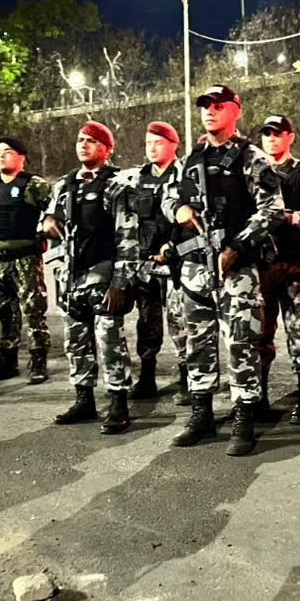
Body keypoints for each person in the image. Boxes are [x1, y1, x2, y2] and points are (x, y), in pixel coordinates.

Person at [161, 84, 285, 456]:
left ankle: (244, 418)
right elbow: (168, 196)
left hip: (237, 269)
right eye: (205, 106)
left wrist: (238, 246)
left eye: (218, 105)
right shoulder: (191, 158)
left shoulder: (251, 158)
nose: (210, 111)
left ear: (235, 110)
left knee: (242, 343)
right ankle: (201, 416)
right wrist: (178, 211)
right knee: (197, 343)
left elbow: (272, 208)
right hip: (196, 268)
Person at [42, 121, 140, 435]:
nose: (83, 145)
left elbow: (128, 236)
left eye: (91, 141)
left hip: (103, 272)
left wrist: (120, 282)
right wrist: (46, 221)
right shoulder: (65, 183)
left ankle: (118, 404)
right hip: (71, 276)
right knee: (76, 341)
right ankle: (84, 399)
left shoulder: (117, 184)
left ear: (107, 149)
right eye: (80, 140)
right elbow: (47, 217)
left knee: (109, 340)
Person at [255, 114, 300, 425]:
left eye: (277, 133)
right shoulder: (254, 171)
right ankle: (258, 400)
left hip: (295, 267)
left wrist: (282, 217)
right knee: (258, 336)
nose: (271, 139)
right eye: (267, 134)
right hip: (261, 269)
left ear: (290, 137)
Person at [120, 121, 189, 404]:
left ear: (174, 145)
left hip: (176, 262)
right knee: (147, 324)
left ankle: (188, 378)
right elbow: (130, 220)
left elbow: (192, 216)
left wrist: (172, 246)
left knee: (181, 323)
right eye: (148, 143)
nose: (152, 147)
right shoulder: (137, 179)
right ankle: (147, 377)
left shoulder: (185, 174)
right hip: (146, 263)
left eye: (158, 142)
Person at [0, 136, 52, 384]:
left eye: (7, 151)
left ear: (21, 157)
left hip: (26, 258)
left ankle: (38, 358)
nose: (1, 155)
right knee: (6, 312)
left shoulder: (34, 185)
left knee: (33, 310)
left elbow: (54, 212)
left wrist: (44, 232)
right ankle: (7, 359)